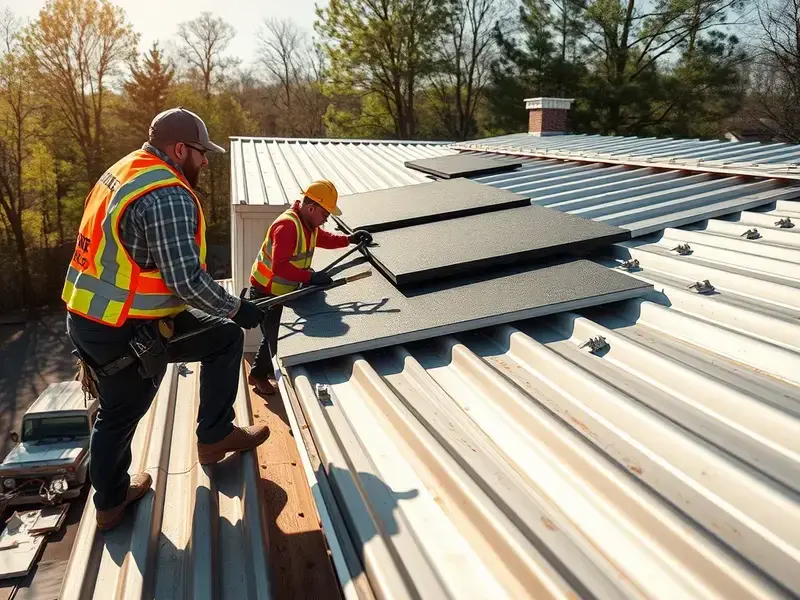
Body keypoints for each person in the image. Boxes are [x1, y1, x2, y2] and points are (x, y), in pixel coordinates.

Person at [63, 107, 268, 531]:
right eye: (201, 152)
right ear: (179, 149)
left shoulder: (124, 169)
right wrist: (237, 307)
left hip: (91, 314)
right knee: (120, 413)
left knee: (223, 338)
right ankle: (111, 503)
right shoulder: (168, 194)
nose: (205, 161)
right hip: (122, 327)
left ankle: (215, 436)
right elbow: (187, 281)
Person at [247, 180, 371, 395]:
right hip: (267, 292)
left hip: (284, 289)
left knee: (274, 335)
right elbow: (280, 267)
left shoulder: (307, 225)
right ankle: (258, 375)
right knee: (274, 337)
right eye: (325, 213)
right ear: (311, 208)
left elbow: (323, 238)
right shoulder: (287, 226)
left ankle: (262, 371)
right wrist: (311, 278)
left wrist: (349, 240)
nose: (326, 219)